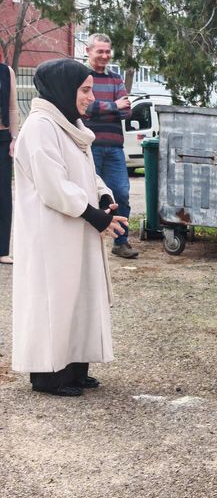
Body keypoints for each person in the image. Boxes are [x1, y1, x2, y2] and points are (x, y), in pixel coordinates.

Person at [11, 59, 127, 396]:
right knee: (54, 298)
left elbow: (84, 172)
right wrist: (94, 215)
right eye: (85, 90)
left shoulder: (68, 125)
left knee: (77, 295)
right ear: (64, 90)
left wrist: (103, 197)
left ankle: (74, 366)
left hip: (73, 228)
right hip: (52, 233)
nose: (91, 96)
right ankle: (48, 375)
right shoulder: (40, 127)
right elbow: (53, 186)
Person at [83, 33, 138, 259]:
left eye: (107, 51)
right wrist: (113, 105)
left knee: (121, 194)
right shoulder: (81, 77)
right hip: (89, 146)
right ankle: (86, 242)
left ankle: (121, 242)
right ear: (88, 51)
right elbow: (84, 108)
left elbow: (127, 110)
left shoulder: (116, 79)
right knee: (87, 195)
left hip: (115, 148)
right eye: (100, 51)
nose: (105, 56)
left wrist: (102, 108)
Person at [0, 53, 18, 265]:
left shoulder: (6, 71)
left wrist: (14, 137)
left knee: (3, 195)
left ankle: (2, 249)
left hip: (3, 138)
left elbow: (13, 107)